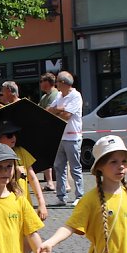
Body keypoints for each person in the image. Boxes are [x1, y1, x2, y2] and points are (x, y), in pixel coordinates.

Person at [0, 121, 48, 220]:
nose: (13, 137)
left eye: (15, 134)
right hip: (5, 208)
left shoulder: (21, 151)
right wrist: (13, 174)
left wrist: (41, 202)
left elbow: (32, 177)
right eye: (9, 135)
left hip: (24, 204)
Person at [46, 71, 84, 206]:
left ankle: (80, 195)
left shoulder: (75, 96)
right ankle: (61, 196)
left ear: (63, 83)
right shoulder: (60, 95)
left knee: (75, 168)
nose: (56, 85)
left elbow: (67, 115)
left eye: (57, 83)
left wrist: (58, 110)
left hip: (73, 137)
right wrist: (58, 109)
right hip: (60, 137)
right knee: (59, 167)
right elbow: (48, 109)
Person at [38, 73, 59, 191]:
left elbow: (48, 111)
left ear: (48, 82)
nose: (40, 83)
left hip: (53, 130)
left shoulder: (55, 95)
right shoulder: (45, 97)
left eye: (42, 81)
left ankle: (61, 183)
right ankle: (50, 182)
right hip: (47, 130)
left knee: (57, 158)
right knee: (48, 157)